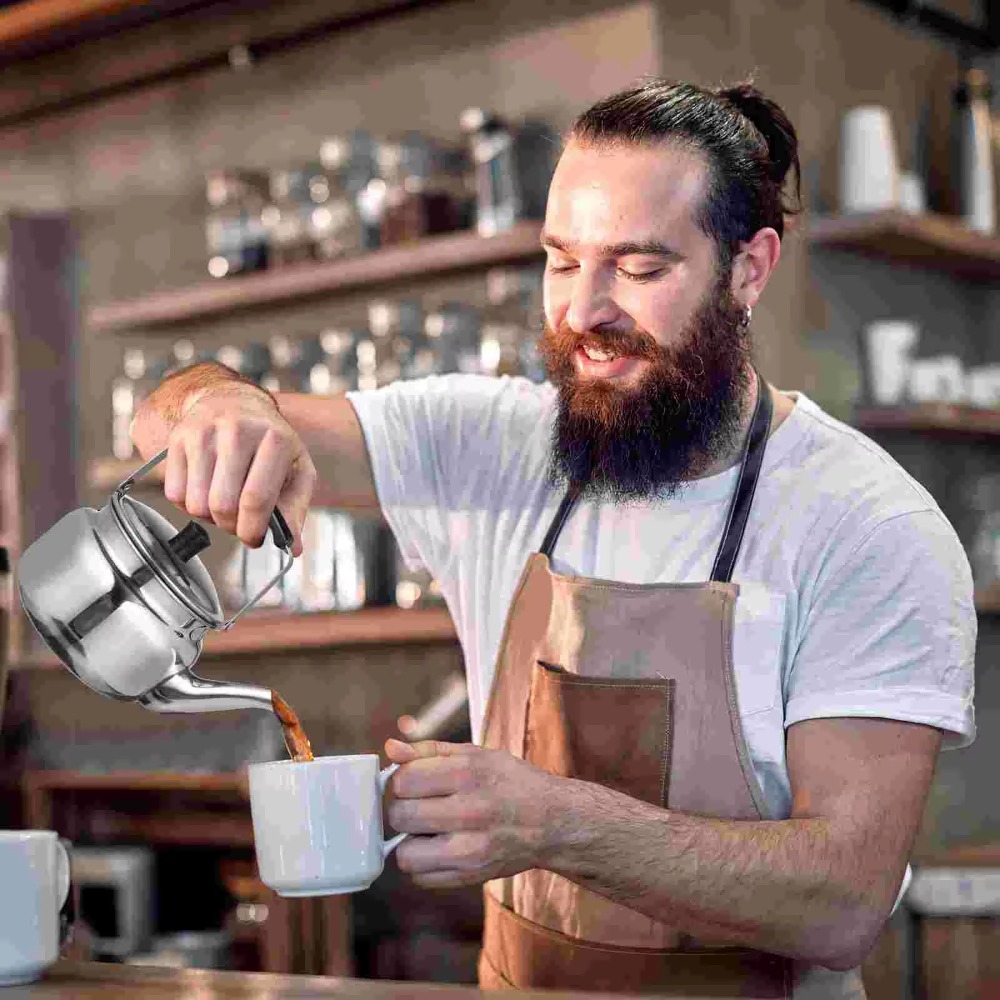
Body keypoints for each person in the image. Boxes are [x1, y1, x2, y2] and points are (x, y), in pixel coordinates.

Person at [131, 79, 976, 998]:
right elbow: (164, 418)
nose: (583, 312)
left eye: (638, 269)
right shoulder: (490, 448)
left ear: (748, 269)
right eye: (562, 262)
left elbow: (843, 903)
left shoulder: (865, 525)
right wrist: (218, 405)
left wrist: (557, 825)